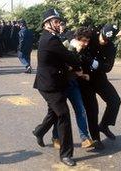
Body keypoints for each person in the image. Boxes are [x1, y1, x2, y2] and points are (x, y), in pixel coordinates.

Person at [32, 9, 82, 166]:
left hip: (52, 82)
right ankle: (66, 154)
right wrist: (76, 50)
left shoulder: (52, 37)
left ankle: (39, 131)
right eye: (55, 21)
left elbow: (61, 57)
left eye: (59, 21)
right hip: (50, 85)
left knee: (53, 113)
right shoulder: (50, 40)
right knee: (63, 115)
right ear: (47, 24)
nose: (58, 23)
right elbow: (69, 57)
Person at [51, 27, 96, 149]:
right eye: (84, 41)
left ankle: (85, 138)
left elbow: (80, 66)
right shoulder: (64, 46)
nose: (86, 44)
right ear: (77, 38)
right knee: (60, 113)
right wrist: (75, 70)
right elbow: (61, 65)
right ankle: (56, 137)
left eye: (88, 41)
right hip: (61, 84)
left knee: (80, 110)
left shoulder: (83, 49)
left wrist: (82, 73)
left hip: (73, 84)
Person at [78, 24, 121, 149]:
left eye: (107, 40)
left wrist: (92, 62)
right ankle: (96, 138)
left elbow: (108, 67)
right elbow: (73, 35)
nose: (103, 41)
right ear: (100, 32)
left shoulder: (111, 47)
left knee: (115, 101)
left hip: (99, 78)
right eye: (103, 37)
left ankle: (104, 125)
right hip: (84, 79)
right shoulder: (91, 34)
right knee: (92, 110)